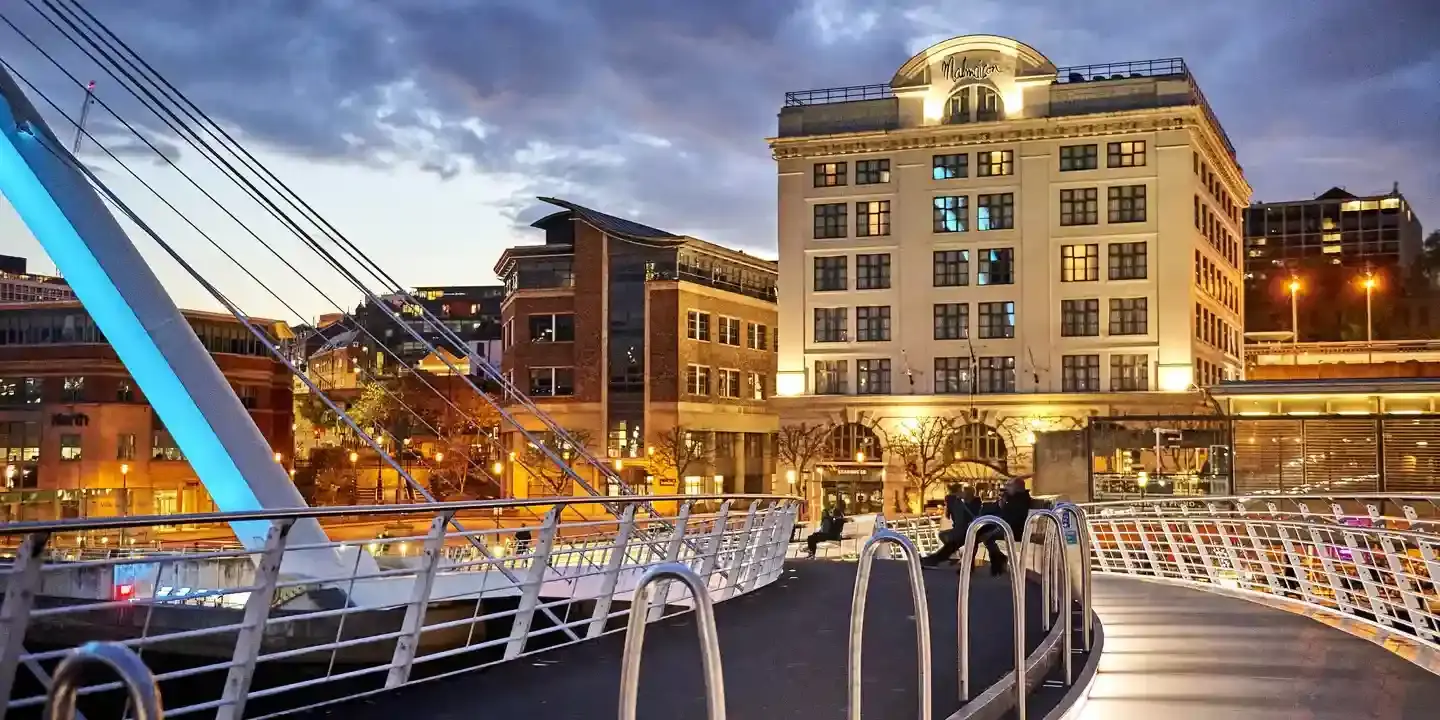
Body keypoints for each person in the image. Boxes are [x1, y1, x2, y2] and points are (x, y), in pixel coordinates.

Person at [978, 477, 1033, 576]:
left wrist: (994, 530)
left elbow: (1012, 518)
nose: (1006, 488)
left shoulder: (1021, 500)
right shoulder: (1012, 498)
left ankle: (998, 562)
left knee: (987, 536)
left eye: (1009, 486)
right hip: (1008, 526)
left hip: (1016, 529)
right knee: (983, 533)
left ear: (1017, 487)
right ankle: (998, 562)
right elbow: (1003, 512)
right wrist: (1001, 503)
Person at [921, 485, 982, 567]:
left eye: (963, 492)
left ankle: (935, 559)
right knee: (948, 540)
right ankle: (937, 559)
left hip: (969, 530)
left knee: (953, 542)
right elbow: (950, 514)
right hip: (966, 530)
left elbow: (966, 516)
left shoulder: (974, 504)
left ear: (968, 494)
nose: (961, 493)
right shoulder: (964, 503)